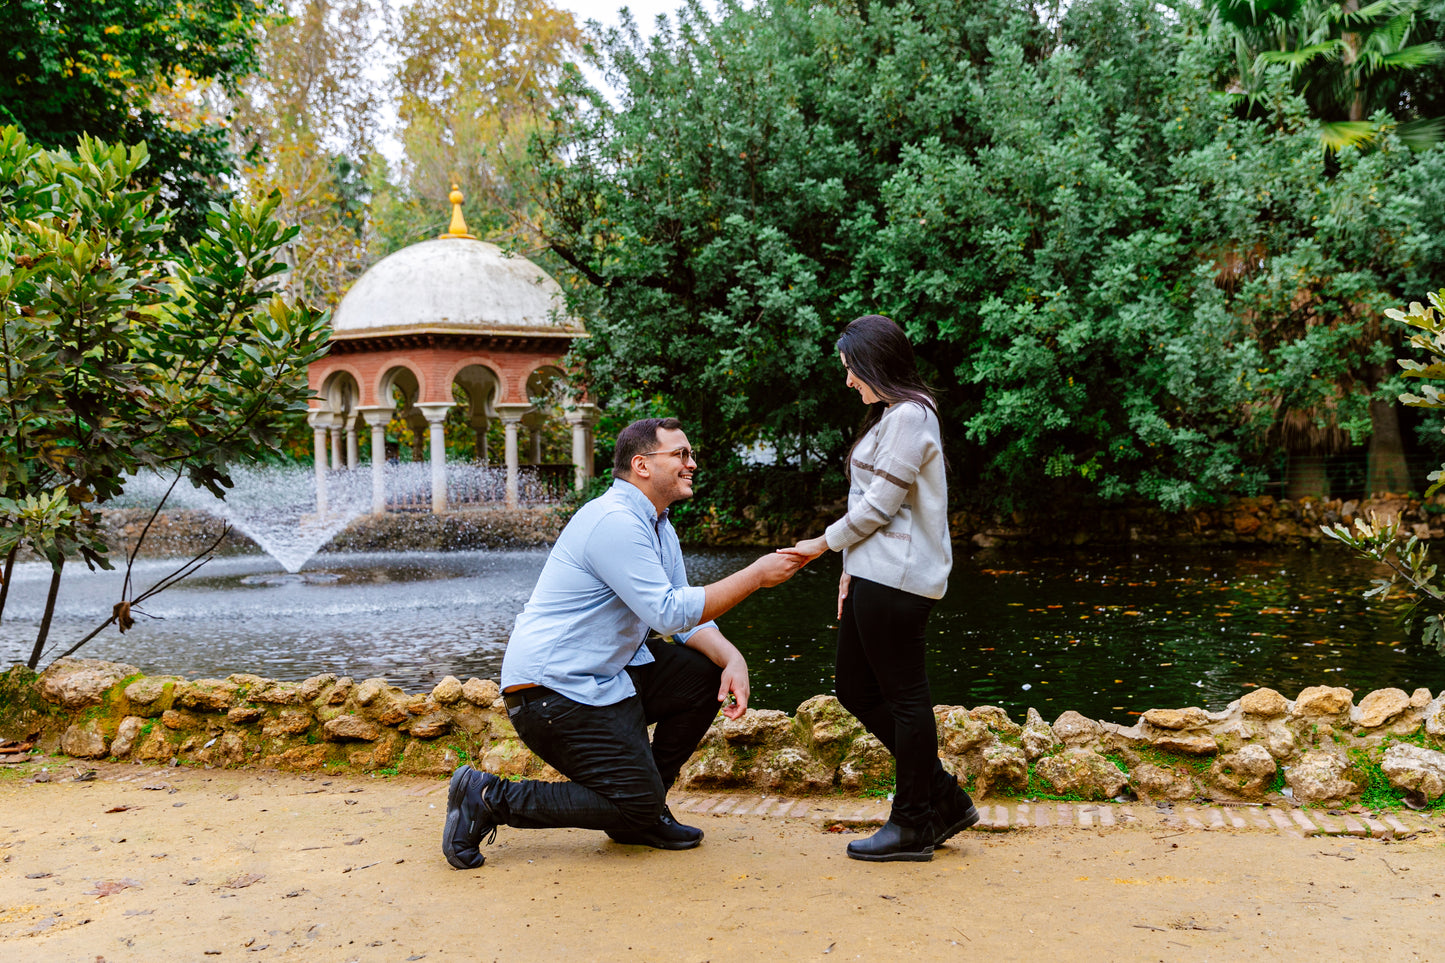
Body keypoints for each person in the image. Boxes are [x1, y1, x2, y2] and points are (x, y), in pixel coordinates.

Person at [442, 417, 803, 869]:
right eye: (681, 455)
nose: (692, 464)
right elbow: (668, 613)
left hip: (600, 676)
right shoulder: (614, 521)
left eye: (689, 454)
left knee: (704, 675)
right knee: (634, 800)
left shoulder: (657, 524)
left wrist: (733, 658)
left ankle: (641, 810)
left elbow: (685, 623)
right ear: (642, 465)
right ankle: (488, 796)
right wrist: (756, 576)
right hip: (549, 693)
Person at [782, 315, 976, 862]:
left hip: (900, 578)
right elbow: (869, 507)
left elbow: (880, 506)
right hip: (873, 573)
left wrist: (820, 545)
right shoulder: (893, 416)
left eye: (850, 369)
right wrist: (847, 567)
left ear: (873, 363)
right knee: (853, 688)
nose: (848, 381)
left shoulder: (911, 416)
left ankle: (914, 823)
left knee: (906, 698)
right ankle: (942, 797)